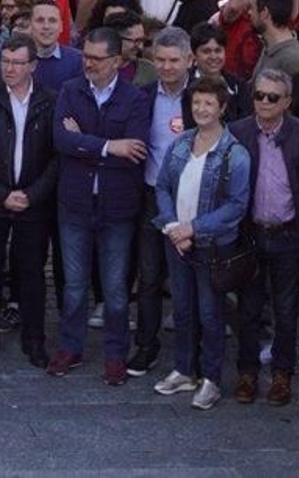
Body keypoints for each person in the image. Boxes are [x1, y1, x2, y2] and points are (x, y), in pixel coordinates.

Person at [47, 27, 150, 385]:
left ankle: (114, 354)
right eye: (85, 55)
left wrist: (84, 142)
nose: (86, 63)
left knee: (116, 288)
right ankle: (71, 347)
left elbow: (134, 150)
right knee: (74, 285)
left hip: (118, 205)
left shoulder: (135, 99)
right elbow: (61, 138)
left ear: (117, 62)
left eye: (95, 58)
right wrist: (108, 146)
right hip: (75, 202)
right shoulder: (70, 90)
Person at [151, 76, 251, 411]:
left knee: (210, 313)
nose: (201, 109)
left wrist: (192, 228)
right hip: (176, 241)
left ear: (222, 108)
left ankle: (210, 378)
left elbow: (236, 207)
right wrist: (172, 227)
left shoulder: (234, 154)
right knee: (182, 308)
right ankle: (184, 369)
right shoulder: (180, 144)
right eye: (197, 103)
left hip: (211, 246)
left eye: (209, 103)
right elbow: (162, 186)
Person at [229, 69, 299, 406]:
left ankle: (283, 375)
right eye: (259, 95)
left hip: (288, 235)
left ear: (287, 102)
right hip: (250, 233)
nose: (264, 102)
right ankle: (247, 372)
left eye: (272, 97)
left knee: (286, 309)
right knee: (249, 309)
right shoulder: (238, 131)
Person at [0, 34, 56, 367]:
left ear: (33, 65)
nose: (9, 68)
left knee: (31, 271)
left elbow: (56, 157)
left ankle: (34, 339)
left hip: (34, 201)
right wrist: (2, 194)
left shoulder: (50, 100)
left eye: (17, 63)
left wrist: (32, 194)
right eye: (5, 61)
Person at [130, 26, 194, 378]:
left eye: (174, 61)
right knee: (149, 275)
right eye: (161, 60)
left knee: (186, 279)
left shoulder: (200, 96)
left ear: (189, 60)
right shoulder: (141, 96)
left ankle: (189, 350)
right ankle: (146, 344)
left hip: (189, 200)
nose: (167, 67)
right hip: (152, 196)